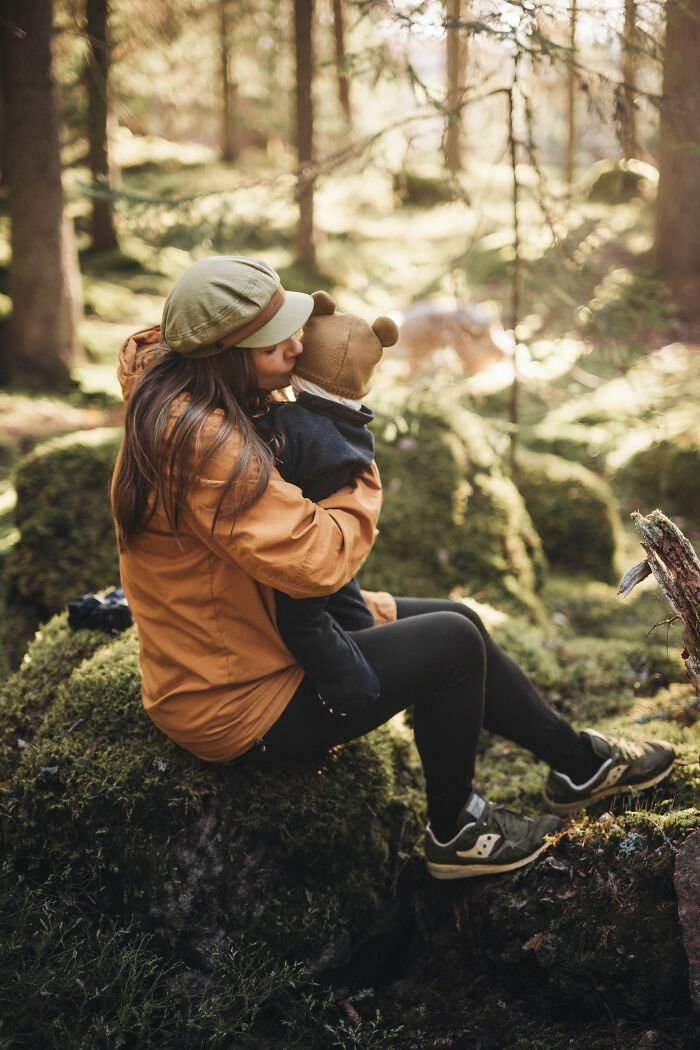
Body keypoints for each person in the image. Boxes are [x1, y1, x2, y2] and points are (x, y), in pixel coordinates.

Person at [111, 255, 676, 881]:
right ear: (228, 353)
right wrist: (353, 460)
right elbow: (319, 558)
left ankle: (577, 764)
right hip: (234, 697)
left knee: (460, 619)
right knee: (453, 646)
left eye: (296, 325)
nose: (298, 346)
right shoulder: (203, 444)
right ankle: (457, 828)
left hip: (258, 635)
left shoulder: (189, 394)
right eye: (278, 344)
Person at [254, 289, 398, 717]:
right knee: (345, 598)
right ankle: (368, 638)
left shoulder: (293, 424)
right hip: (337, 544)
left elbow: (266, 448)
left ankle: (355, 691)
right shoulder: (353, 426)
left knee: (303, 621)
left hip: (308, 547)